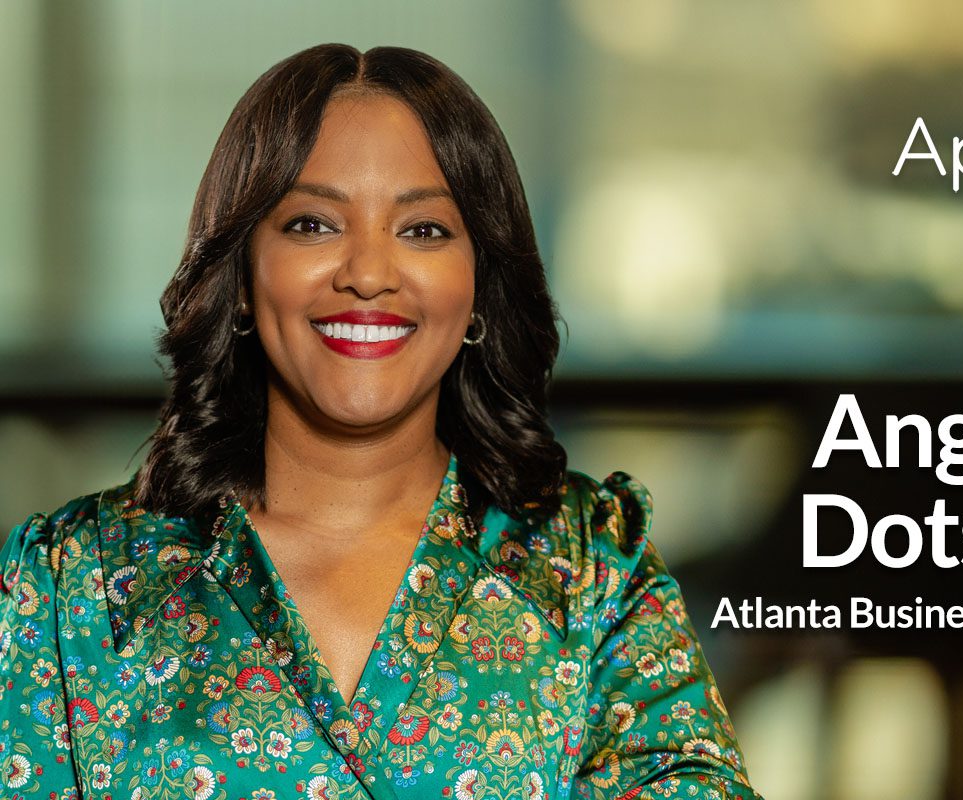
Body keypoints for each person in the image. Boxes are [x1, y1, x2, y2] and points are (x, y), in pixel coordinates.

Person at [0, 44, 759, 799]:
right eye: (312, 224)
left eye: (423, 230)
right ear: (241, 277)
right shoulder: (73, 584)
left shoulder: (591, 570)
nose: (368, 274)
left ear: (479, 285)